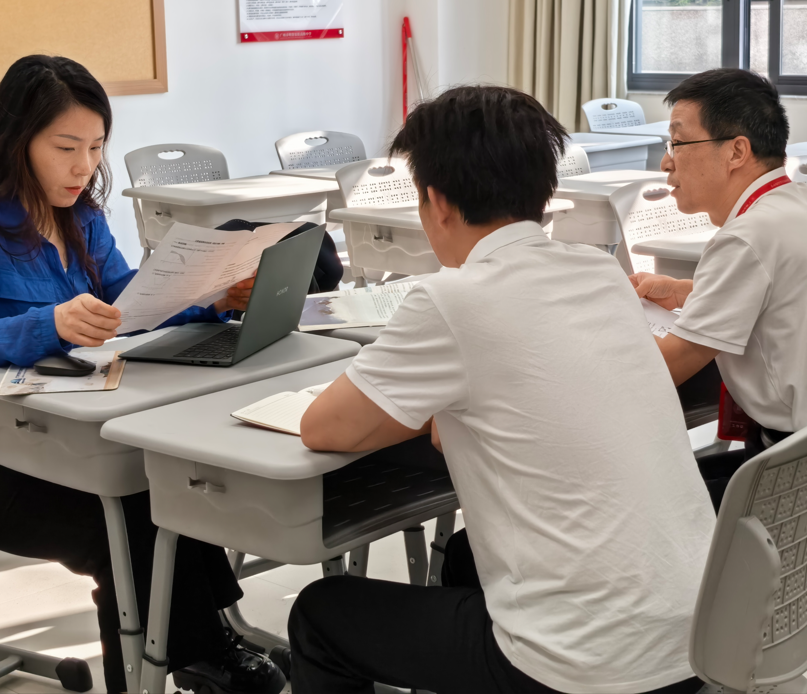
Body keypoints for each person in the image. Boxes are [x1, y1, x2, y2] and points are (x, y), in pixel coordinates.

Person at [287, 85, 714, 694]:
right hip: (700, 638)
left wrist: (439, 404)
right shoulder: (600, 270)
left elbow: (325, 428)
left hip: (587, 666)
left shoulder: (451, 299)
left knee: (321, 614)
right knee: (465, 555)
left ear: (436, 202)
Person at [0, 55, 285, 694]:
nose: (84, 166)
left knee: (172, 492)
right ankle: (186, 662)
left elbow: (129, 302)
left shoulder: (79, 212)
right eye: (66, 148)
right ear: (16, 140)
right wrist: (49, 323)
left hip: (69, 440)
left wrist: (211, 296)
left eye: (97, 146)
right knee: (128, 528)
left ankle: (204, 651)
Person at [629, 68, 807, 553]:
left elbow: (662, 370)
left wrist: (598, 331)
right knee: (669, 490)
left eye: (678, 142)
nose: (665, 162)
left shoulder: (747, 237)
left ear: (736, 151)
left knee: (631, 518)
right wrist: (684, 291)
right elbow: (782, 300)